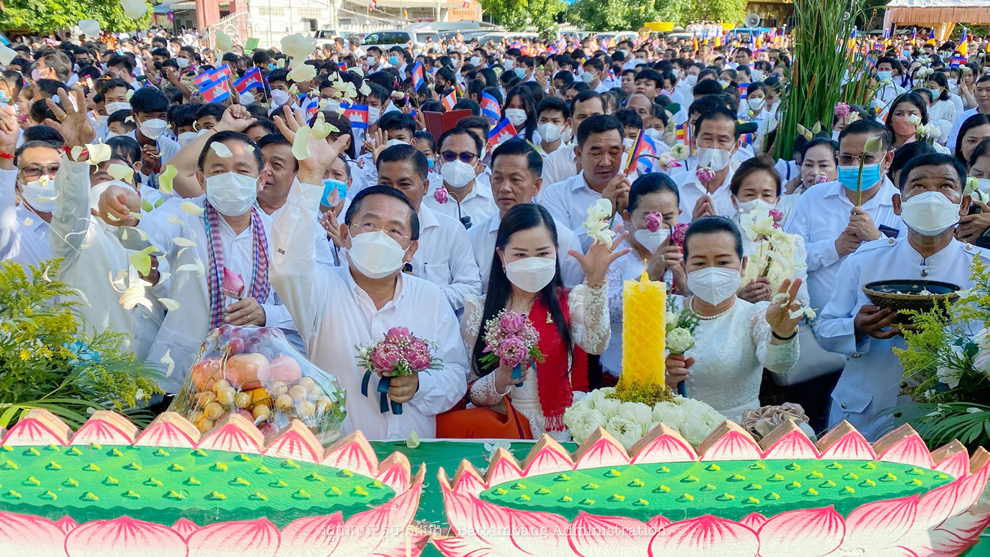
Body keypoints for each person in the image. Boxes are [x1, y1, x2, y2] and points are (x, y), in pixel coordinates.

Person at [269, 114, 468, 441]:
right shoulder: (319, 290)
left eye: (395, 230)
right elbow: (287, 261)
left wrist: (419, 385)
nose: (380, 236)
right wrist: (309, 176)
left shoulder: (431, 299)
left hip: (413, 457)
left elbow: (456, 375)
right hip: (337, 457)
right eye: (370, 224)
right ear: (345, 234)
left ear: (410, 250)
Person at [95, 109, 302, 392]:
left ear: (261, 178)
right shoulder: (183, 214)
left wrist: (266, 314)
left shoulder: (279, 232)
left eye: (242, 170)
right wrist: (127, 214)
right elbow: (146, 236)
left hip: (256, 373)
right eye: (219, 171)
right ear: (202, 180)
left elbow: (303, 305)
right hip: (183, 374)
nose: (230, 178)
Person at [817, 153, 990, 441]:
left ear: (963, 205)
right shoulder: (864, 261)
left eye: (945, 186)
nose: (931, 196)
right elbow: (825, 329)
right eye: (919, 186)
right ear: (898, 204)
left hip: (946, 419)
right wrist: (857, 328)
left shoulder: (984, 268)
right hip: (863, 412)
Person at [463, 203, 626, 441]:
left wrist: (596, 282)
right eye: (520, 254)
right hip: (500, 433)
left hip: (558, 433)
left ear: (556, 252)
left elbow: (595, 344)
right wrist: (499, 379)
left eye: (542, 254)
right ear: (501, 256)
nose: (532, 262)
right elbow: (471, 393)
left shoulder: (570, 300)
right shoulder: (478, 309)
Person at [45, 88, 163, 359]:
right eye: (102, 178)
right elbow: (69, 207)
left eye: (123, 178)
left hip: (152, 380)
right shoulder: (77, 234)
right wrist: (76, 153)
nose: (112, 186)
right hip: (93, 385)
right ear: (87, 187)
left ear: (139, 191)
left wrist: (157, 278)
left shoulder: (158, 233)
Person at [664, 216, 805, 422]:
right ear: (685, 266)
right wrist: (664, 381)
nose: (711, 271)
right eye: (700, 263)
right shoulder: (665, 310)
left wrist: (782, 334)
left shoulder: (755, 315)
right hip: (670, 431)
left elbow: (778, 363)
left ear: (743, 264)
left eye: (722, 262)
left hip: (736, 435)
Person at [785, 119, 905, 313]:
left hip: (879, 322)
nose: (856, 166)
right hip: (813, 320)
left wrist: (877, 239)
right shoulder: (813, 197)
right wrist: (834, 248)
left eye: (867, 159)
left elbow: (910, 269)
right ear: (837, 157)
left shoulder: (902, 205)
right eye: (847, 159)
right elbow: (787, 258)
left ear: (888, 159)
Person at [375, 143, 482, 311]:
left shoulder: (450, 229)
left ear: (425, 186)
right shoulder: (365, 230)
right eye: (386, 184)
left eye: (404, 184)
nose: (394, 192)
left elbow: (470, 287)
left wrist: (422, 295)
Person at [603, 173, 688, 382]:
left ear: (679, 215)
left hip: (674, 371)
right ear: (627, 216)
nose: (657, 226)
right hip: (622, 371)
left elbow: (701, 309)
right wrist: (651, 275)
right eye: (649, 218)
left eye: (667, 218)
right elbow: (604, 314)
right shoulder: (613, 254)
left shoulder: (687, 253)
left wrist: (683, 280)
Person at [469, 139, 583, 290]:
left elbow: (573, 296)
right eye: (498, 179)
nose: (504, 188)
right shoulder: (474, 237)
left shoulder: (563, 238)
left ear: (536, 186)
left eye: (515, 180)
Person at [540, 114, 629, 250]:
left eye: (613, 152)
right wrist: (603, 211)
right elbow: (563, 251)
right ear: (579, 154)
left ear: (622, 151)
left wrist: (632, 215)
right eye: (596, 153)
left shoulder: (637, 191)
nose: (605, 162)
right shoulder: (557, 195)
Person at [676, 106, 742, 223]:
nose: (714, 147)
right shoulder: (674, 187)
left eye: (722, 140)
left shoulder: (743, 192)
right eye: (707, 138)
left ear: (736, 146)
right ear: (693, 141)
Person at [423, 128, 497, 229]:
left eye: (466, 157)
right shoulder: (423, 201)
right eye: (449, 156)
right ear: (439, 160)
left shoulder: (494, 203)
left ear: (478, 164)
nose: (457, 162)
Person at [541, 91, 604, 187]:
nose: (589, 122)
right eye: (582, 117)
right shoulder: (554, 161)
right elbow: (544, 200)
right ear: (570, 122)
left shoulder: (621, 160)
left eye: (596, 116)